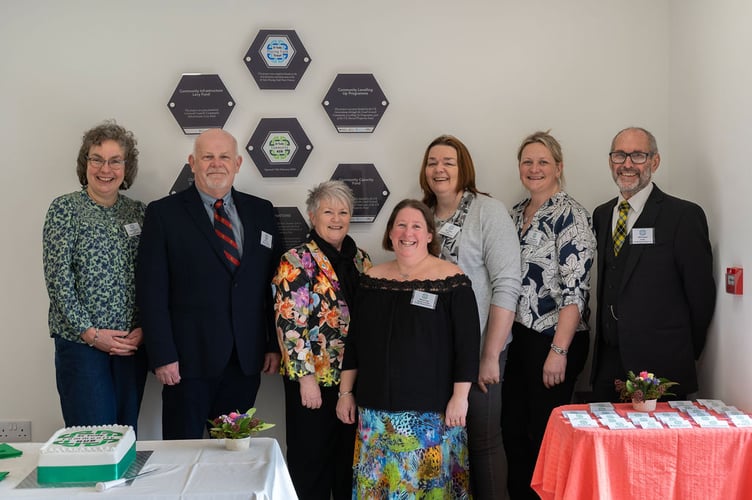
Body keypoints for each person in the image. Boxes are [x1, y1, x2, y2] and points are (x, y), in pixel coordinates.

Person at [136, 128, 280, 439]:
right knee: (182, 453)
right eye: (208, 157)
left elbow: (270, 286)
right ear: (192, 162)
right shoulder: (163, 214)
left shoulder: (262, 212)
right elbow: (152, 291)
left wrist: (272, 344)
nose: (217, 164)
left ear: (238, 163)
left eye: (224, 156)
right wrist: (162, 354)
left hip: (244, 361)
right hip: (187, 362)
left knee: (232, 455)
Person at [336, 199, 480, 498]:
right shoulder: (372, 280)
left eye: (416, 226)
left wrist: (460, 398)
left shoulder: (452, 281)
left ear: (429, 235)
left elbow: (467, 346)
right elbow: (355, 342)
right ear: (390, 233)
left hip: (432, 416)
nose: (407, 232)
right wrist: (346, 393)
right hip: (375, 416)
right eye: (400, 225)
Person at [418, 134, 521, 499]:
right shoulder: (421, 214)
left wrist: (490, 355)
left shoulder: (487, 211)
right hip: (433, 354)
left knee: (483, 439)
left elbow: (507, 284)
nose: (439, 169)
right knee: (441, 443)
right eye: (432, 162)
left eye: (448, 161)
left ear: (464, 168)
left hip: (479, 350)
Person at [590, 127, 716, 402]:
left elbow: (701, 297)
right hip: (608, 365)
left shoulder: (683, 216)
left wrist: (682, 352)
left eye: (637, 155)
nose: (627, 164)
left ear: (654, 162)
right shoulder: (601, 215)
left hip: (662, 367)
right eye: (619, 155)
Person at [502, 131, 596, 499]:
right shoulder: (514, 214)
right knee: (512, 429)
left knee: (544, 435)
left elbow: (577, 291)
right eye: (527, 161)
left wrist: (558, 352)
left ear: (558, 167)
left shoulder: (571, 214)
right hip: (519, 339)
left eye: (543, 161)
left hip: (556, 338)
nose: (534, 168)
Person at [43, 121, 147, 432]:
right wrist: (91, 334)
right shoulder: (65, 210)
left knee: (126, 437)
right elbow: (58, 282)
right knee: (94, 440)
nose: (106, 169)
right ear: (84, 163)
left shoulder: (138, 213)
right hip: (82, 346)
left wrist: (143, 328)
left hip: (130, 346)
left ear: (126, 168)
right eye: (97, 159)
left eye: (115, 160)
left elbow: (149, 277)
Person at [272, 180, 372, 500]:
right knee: (310, 461)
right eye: (328, 211)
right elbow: (289, 323)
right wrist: (306, 380)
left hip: (354, 379)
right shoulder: (296, 260)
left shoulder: (361, 260)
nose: (336, 218)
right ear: (312, 216)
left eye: (343, 211)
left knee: (349, 462)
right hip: (314, 380)